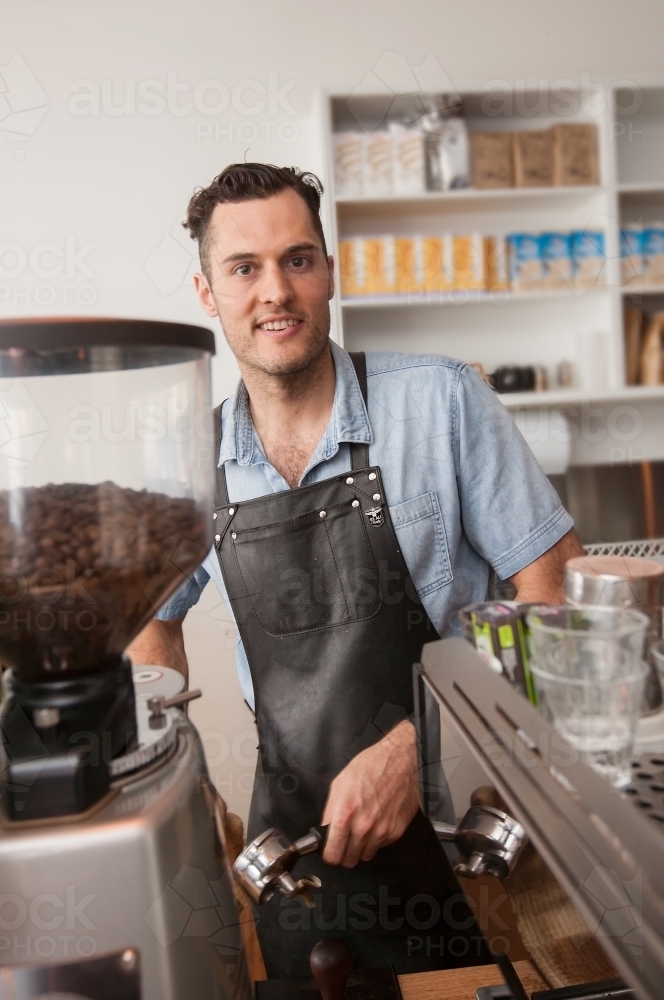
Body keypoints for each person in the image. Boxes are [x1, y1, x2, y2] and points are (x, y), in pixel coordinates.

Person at [129, 162, 582, 979]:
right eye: (245, 268)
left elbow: (553, 586)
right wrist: (183, 782)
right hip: (295, 855)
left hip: (463, 832)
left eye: (298, 259)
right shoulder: (189, 462)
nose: (277, 291)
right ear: (208, 294)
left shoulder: (440, 402)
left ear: (328, 270)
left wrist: (417, 744)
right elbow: (148, 621)